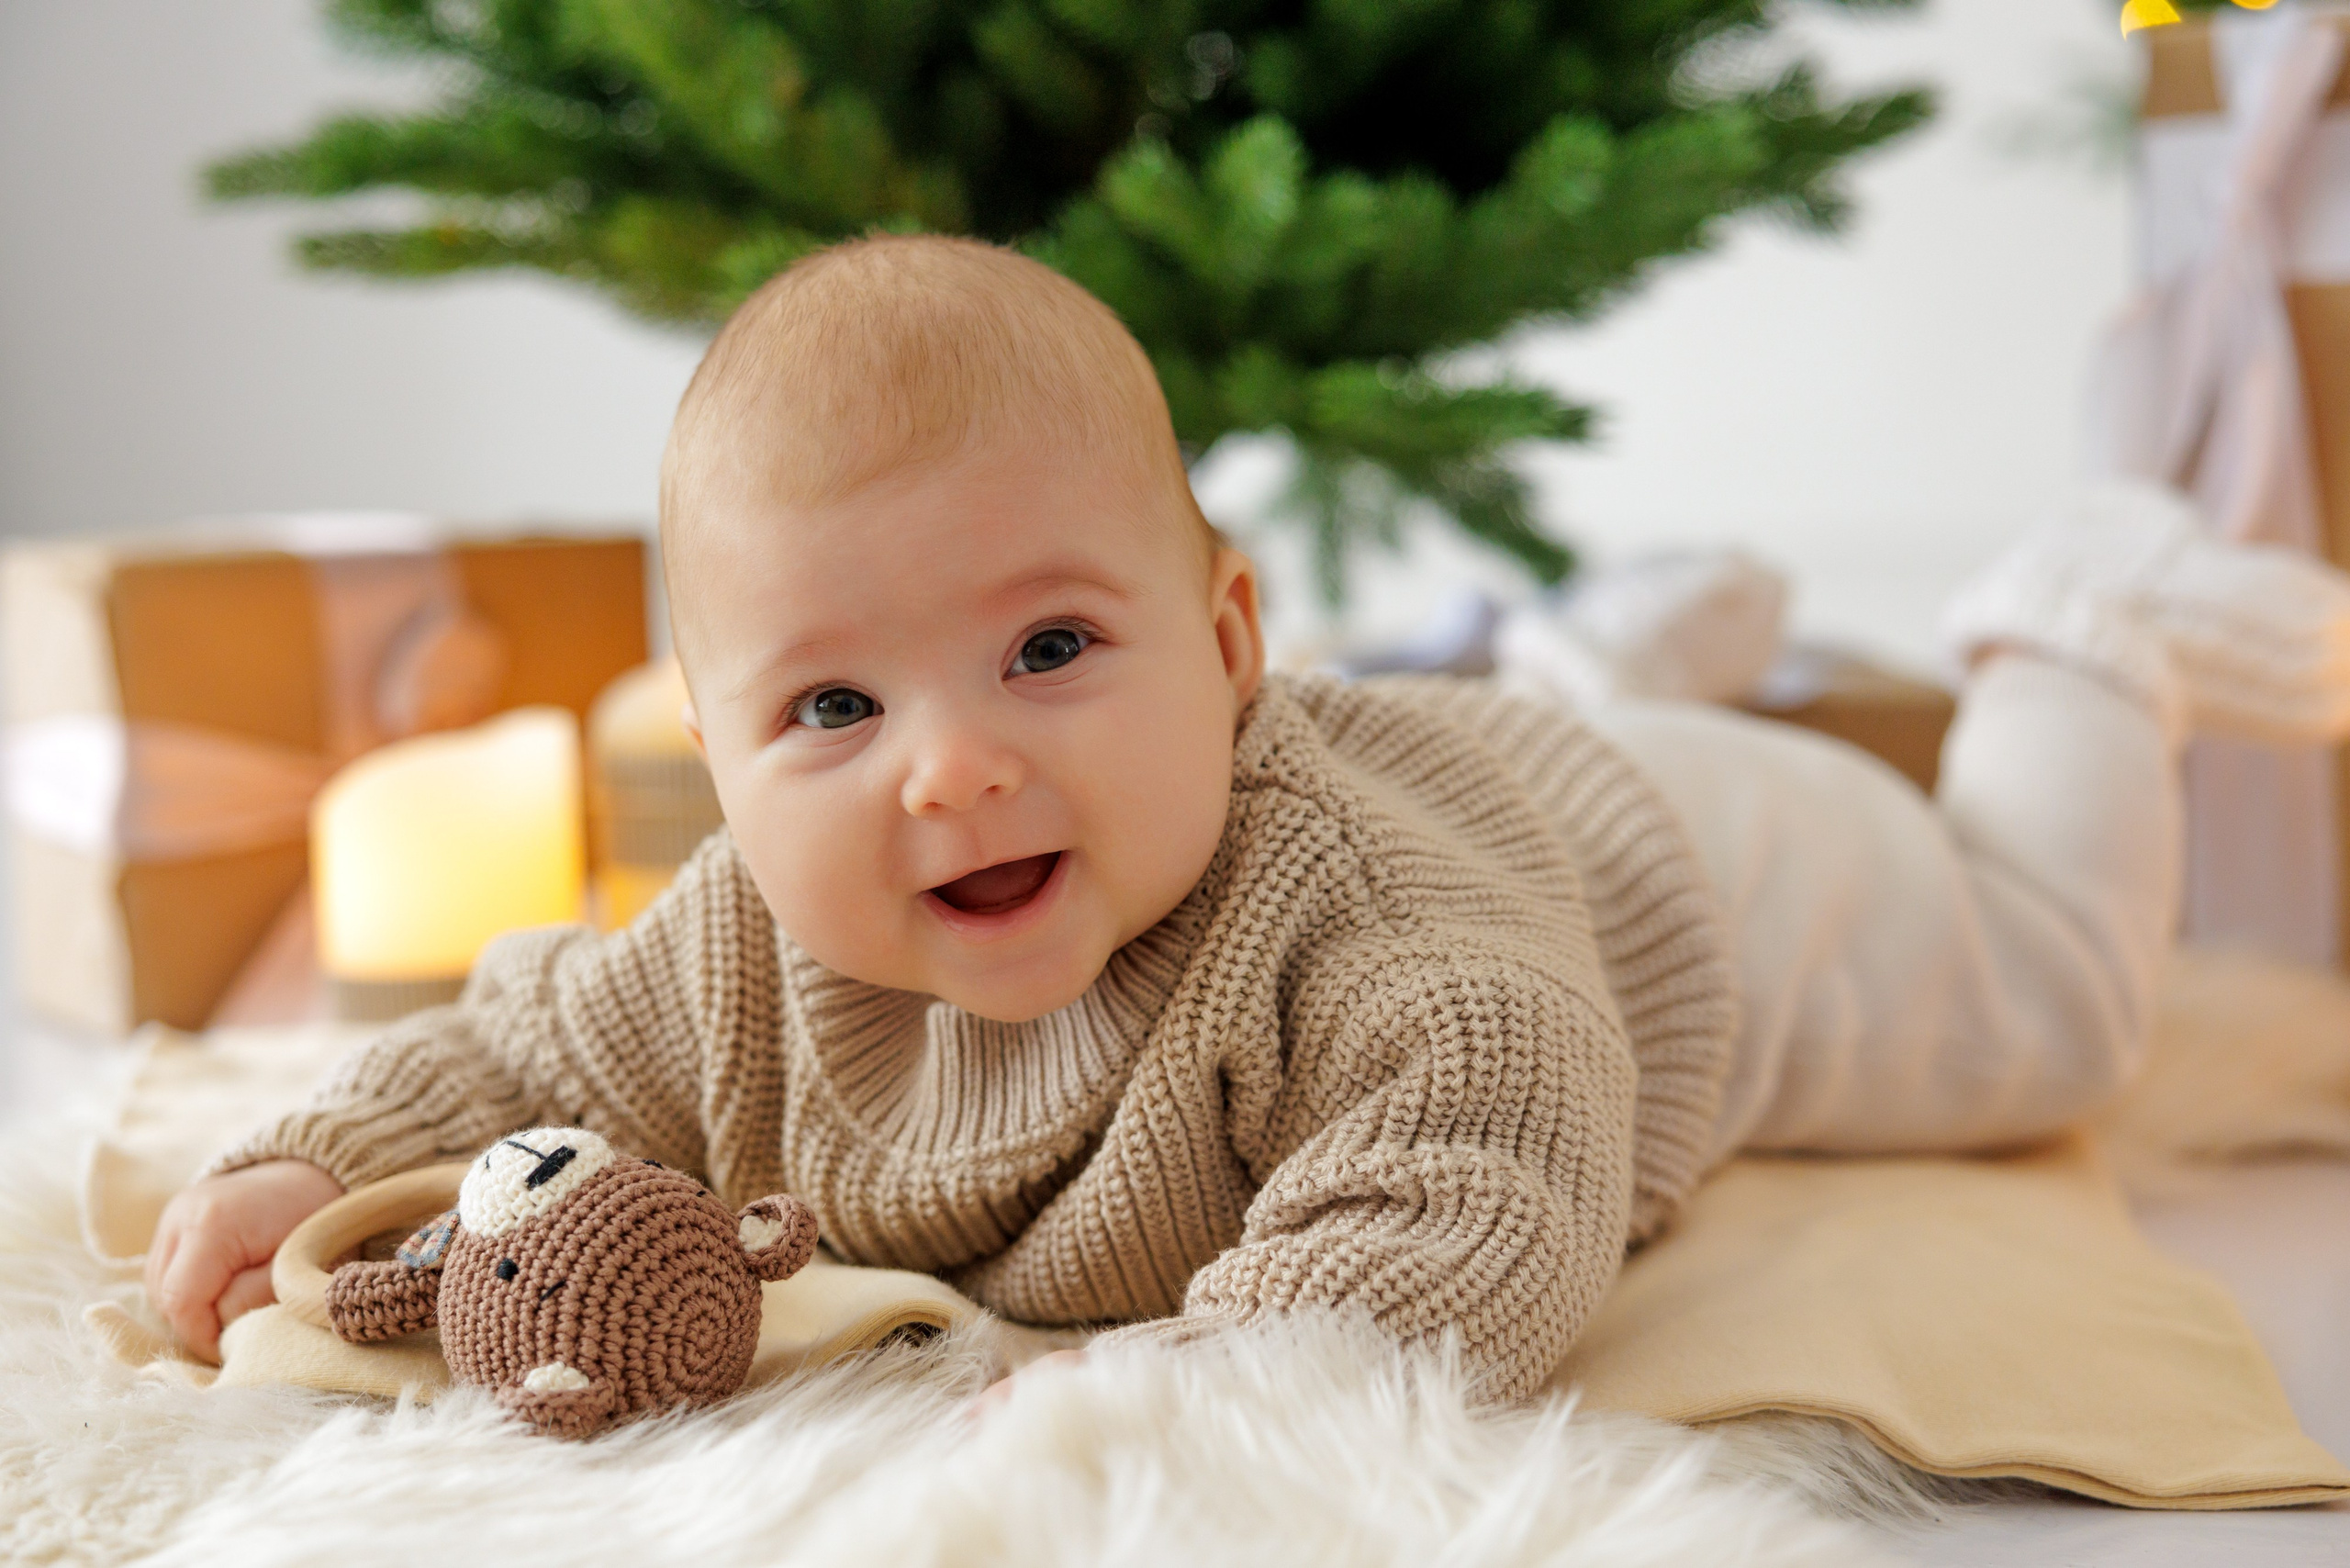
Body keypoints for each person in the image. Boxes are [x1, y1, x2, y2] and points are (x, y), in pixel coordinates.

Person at [145, 237, 2350, 1403]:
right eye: (831, 702)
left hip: (1690, 887)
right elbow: (536, 1047)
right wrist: (318, 1153)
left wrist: (1202, 1395)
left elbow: (1485, 1178)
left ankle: (2078, 630)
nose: (950, 764)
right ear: (716, 770)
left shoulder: (1372, 927)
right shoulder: (744, 937)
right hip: (1483, 762)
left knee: (2054, 1006)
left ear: (1223, 642)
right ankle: (1622, 638)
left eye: (1046, 649)